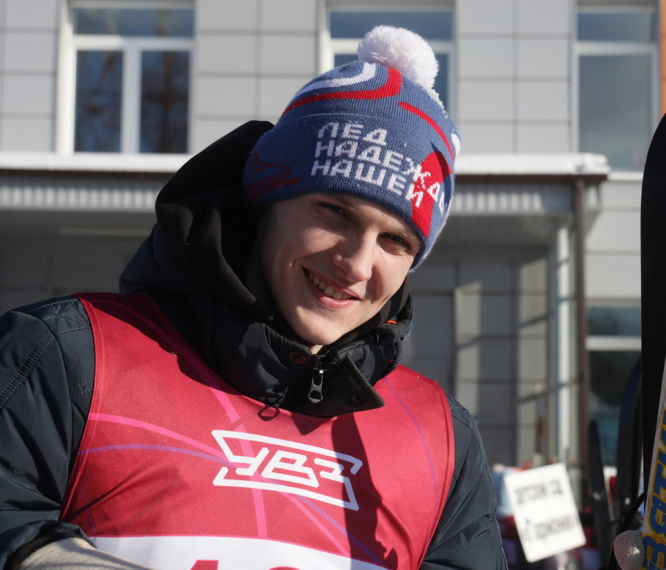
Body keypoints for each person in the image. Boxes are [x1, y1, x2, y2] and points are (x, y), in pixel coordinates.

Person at [0, 26, 506, 569]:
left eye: (395, 241)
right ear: (265, 202)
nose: (357, 264)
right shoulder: (64, 359)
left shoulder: (440, 438)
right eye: (334, 212)